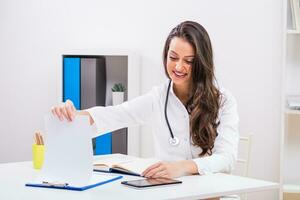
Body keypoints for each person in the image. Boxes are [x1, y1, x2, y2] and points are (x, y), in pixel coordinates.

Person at [51, 21, 239, 179]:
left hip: (213, 194)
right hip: (173, 192)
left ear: (201, 62)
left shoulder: (223, 101)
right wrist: (74, 115)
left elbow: (227, 159)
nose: (179, 66)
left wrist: (181, 167)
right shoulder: (157, 98)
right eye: (173, 57)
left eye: (188, 61)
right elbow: (116, 114)